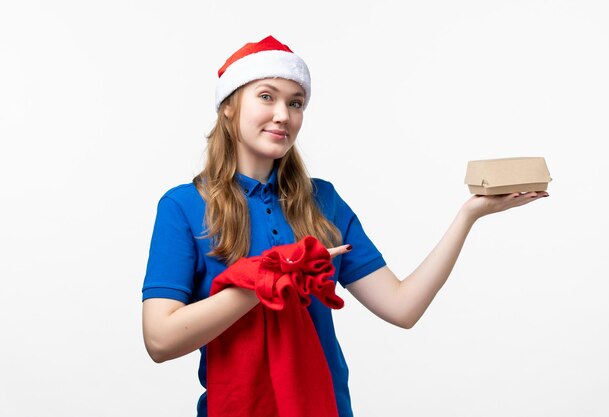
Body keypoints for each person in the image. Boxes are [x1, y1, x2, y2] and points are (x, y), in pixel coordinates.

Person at [141, 35, 548, 417]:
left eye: (296, 103)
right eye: (266, 97)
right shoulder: (183, 206)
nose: (283, 115)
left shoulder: (323, 203)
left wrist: (468, 216)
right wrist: (270, 281)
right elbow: (160, 340)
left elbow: (403, 307)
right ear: (229, 105)